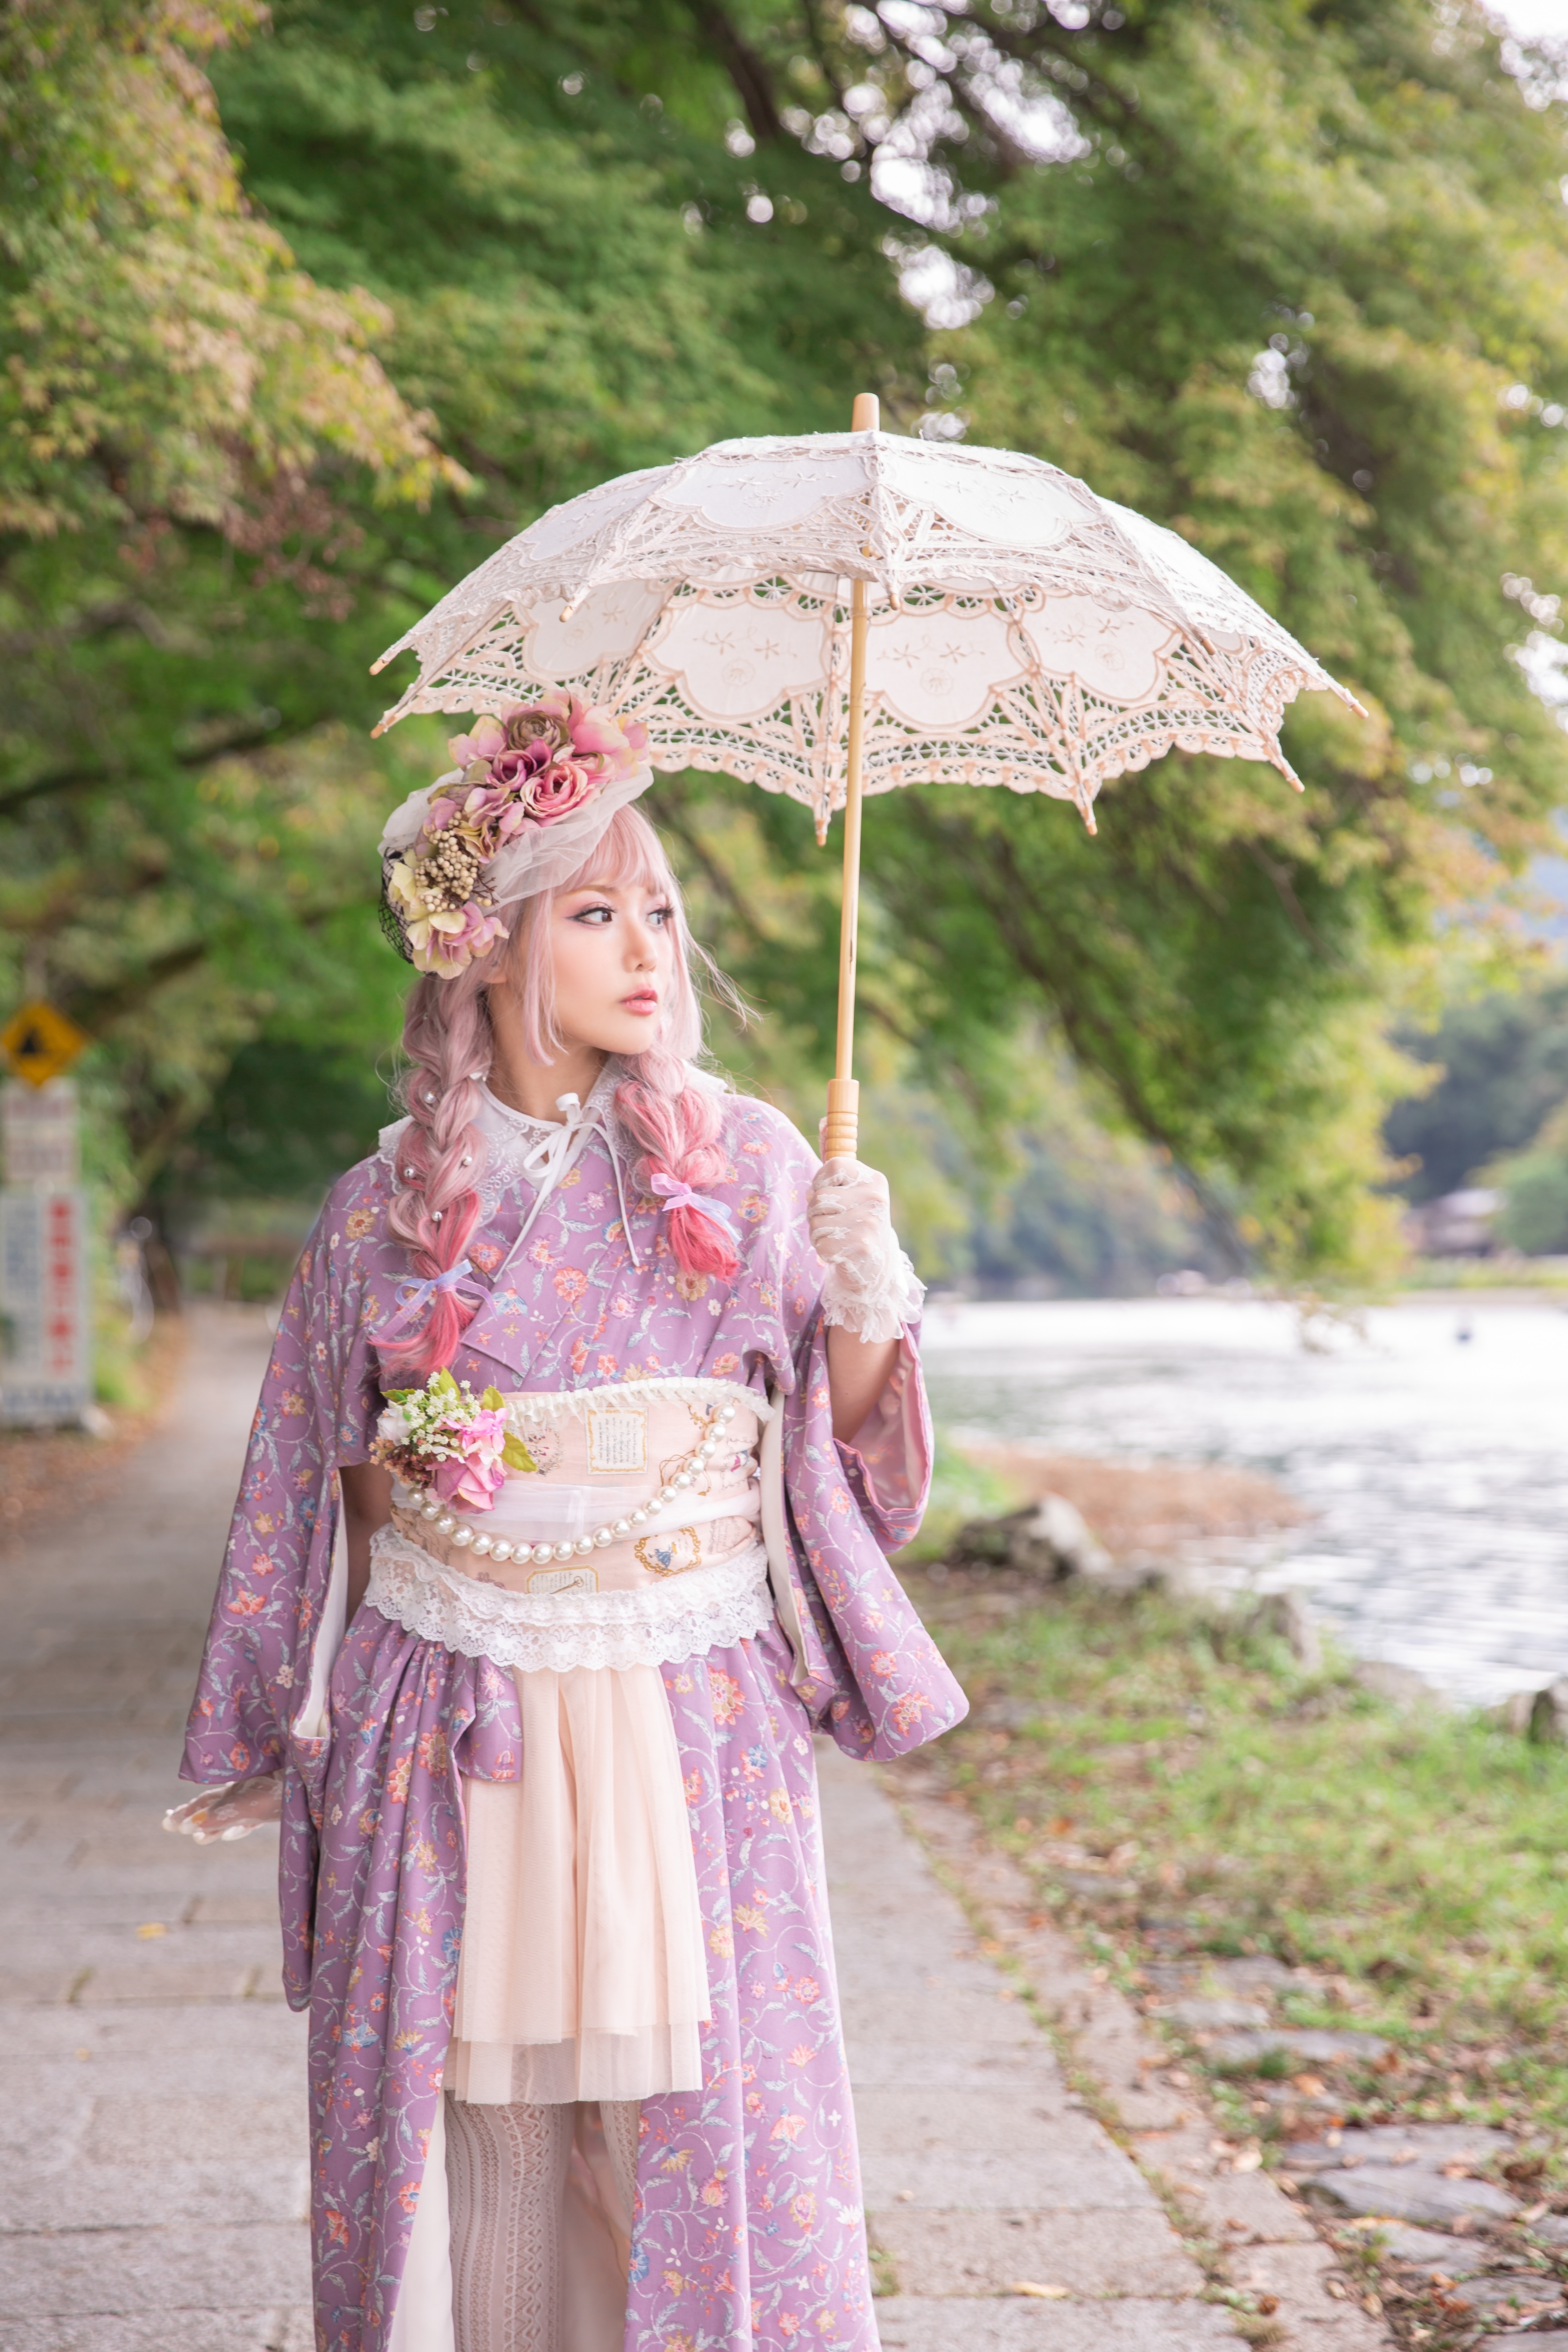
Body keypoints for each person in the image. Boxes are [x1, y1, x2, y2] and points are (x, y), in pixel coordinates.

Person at [168, 693, 967, 2352]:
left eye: (660, 910)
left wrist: (866, 1275)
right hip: (453, 1700)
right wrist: (257, 1719)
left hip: (686, 1691)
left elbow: (847, 1448)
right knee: (467, 2097)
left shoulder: (744, 1165)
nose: (649, 948)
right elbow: (297, 1478)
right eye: (598, 911)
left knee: (705, 2110)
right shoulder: (379, 1212)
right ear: (486, 946)